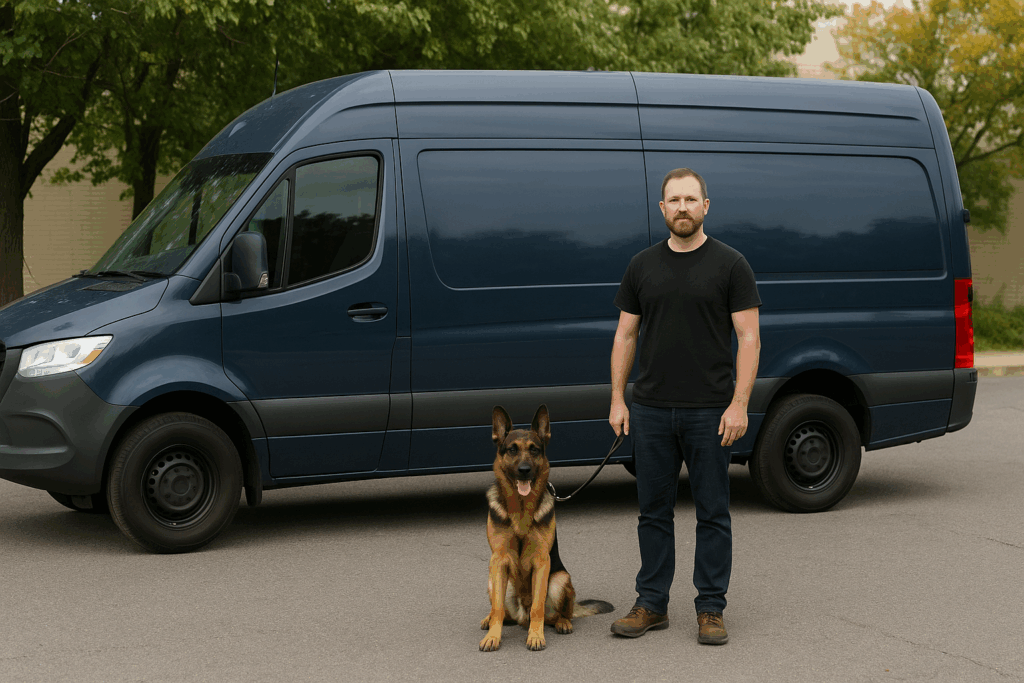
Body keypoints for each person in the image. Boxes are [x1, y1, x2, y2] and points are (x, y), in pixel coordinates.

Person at [608, 168, 761, 645]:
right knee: (653, 513)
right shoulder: (641, 266)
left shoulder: (731, 265)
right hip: (651, 409)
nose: (682, 207)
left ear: (706, 206)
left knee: (713, 512)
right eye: (673, 200)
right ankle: (651, 604)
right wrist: (617, 397)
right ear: (662, 209)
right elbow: (625, 334)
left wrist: (739, 404)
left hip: (710, 411)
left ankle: (711, 609)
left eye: (690, 199)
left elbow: (749, 338)